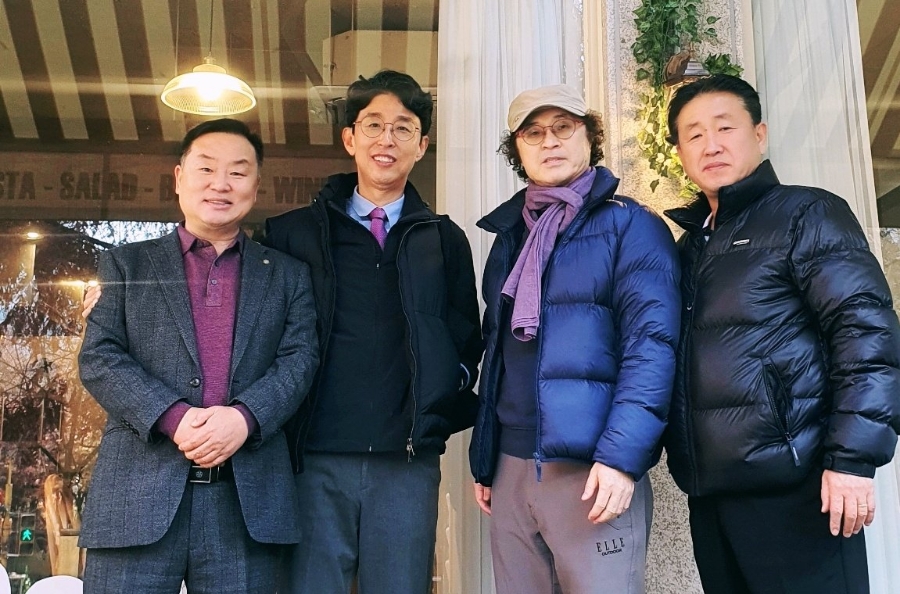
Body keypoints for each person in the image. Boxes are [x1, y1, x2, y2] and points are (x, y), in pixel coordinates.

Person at [663, 74, 900, 594]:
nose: (711, 144)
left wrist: (852, 460)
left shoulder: (806, 213)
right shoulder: (689, 247)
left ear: (760, 133)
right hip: (712, 494)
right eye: (694, 134)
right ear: (680, 152)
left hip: (798, 490)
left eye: (725, 127)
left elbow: (865, 334)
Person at [78, 118, 319, 594]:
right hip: (135, 501)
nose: (220, 184)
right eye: (206, 168)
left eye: (237, 172)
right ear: (179, 177)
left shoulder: (288, 275)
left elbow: (300, 360)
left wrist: (246, 418)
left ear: (256, 185)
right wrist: (173, 417)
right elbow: (100, 358)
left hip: (245, 507)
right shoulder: (126, 264)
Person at [264, 70, 482, 593]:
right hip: (313, 457)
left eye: (404, 128)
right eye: (374, 125)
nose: (388, 139)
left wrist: (441, 394)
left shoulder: (443, 239)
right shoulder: (292, 234)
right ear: (349, 138)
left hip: (405, 462)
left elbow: (466, 340)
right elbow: (255, 329)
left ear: (422, 146)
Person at [469, 84, 681, 593]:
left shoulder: (631, 226)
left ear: (590, 137)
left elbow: (652, 349)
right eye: (533, 133)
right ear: (517, 150)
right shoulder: (510, 236)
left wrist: (621, 458)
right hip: (511, 467)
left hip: (591, 469)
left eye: (564, 127)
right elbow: (498, 354)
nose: (550, 141)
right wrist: (486, 457)